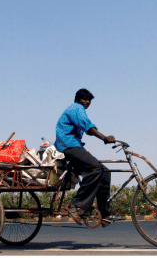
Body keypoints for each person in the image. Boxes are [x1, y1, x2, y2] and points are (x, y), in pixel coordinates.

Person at [55, 88, 121, 226]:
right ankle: (76, 205)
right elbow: (88, 127)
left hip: (74, 146)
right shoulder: (76, 108)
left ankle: (103, 213)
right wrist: (104, 138)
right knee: (96, 168)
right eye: (84, 99)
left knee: (105, 172)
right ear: (78, 99)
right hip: (68, 147)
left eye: (89, 100)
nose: (86, 102)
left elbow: (86, 127)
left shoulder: (77, 109)